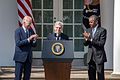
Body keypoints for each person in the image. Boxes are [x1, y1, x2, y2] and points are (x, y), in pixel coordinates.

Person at [13, 16, 38, 80]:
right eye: (29, 23)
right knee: (18, 77)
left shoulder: (31, 31)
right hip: (20, 57)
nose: (30, 25)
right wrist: (29, 39)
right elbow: (18, 43)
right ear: (24, 22)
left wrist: (34, 40)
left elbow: (34, 45)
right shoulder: (18, 31)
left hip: (28, 57)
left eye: (30, 23)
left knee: (27, 77)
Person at [83, 15, 107, 80]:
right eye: (89, 22)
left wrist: (90, 39)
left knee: (100, 75)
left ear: (96, 22)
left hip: (99, 56)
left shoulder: (102, 30)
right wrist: (85, 39)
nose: (89, 23)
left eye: (91, 22)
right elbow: (85, 44)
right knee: (91, 76)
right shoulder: (88, 30)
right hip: (90, 57)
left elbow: (101, 43)